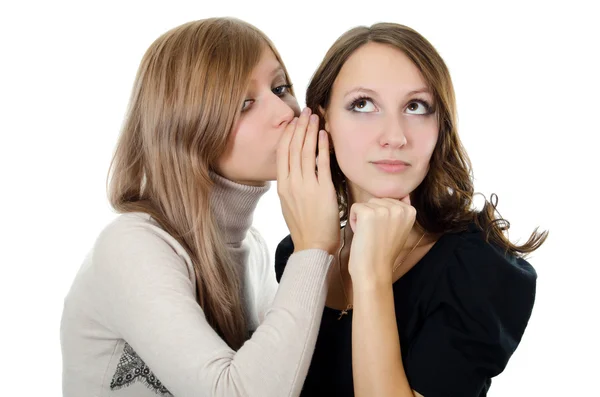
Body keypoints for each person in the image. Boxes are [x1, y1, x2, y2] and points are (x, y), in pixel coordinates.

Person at [60, 17, 340, 397]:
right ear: (188, 128)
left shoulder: (253, 250)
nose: (284, 112)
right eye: (245, 103)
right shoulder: (132, 244)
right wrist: (313, 248)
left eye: (280, 87)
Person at [275, 22, 547, 397]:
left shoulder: (480, 268)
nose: (395, 136)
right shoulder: (298, 254)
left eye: (416, 107)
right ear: (323, 121)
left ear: (440, 127)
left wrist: (372, 273)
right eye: (363, 104)